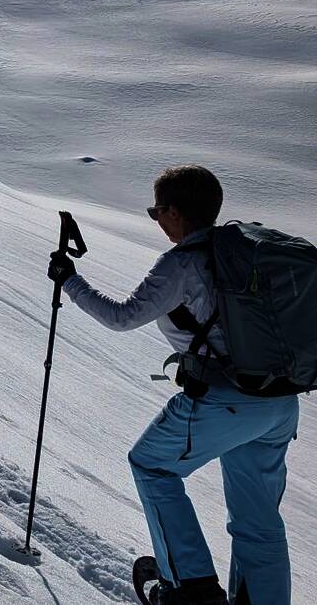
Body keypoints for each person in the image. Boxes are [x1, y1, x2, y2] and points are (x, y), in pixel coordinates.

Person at [48, 166, 300, 605]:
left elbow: (122, 317)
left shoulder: (182, 263)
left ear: (176, 212)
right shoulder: (247, 252)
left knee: (151, 465)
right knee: (258, 521)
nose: (156, 220)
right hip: (279, 403)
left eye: (156, 211)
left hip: (225, 401)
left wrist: (69, 280)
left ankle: (191, 590)